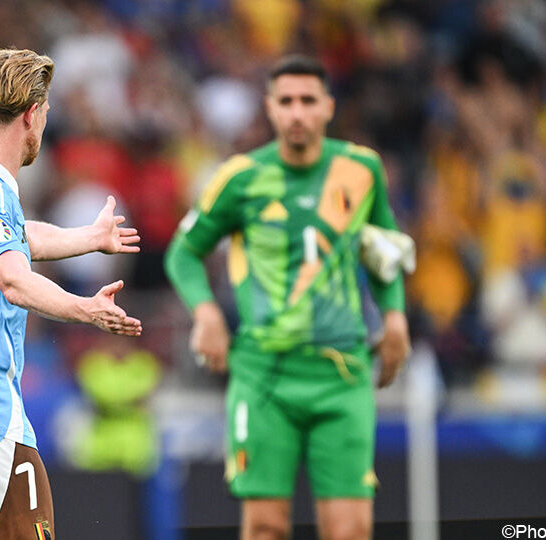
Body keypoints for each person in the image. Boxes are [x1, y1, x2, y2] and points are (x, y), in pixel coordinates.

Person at [164, 55, 412, 540]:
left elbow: (384, 253)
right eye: (286, 102)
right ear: (270, 109)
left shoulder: (362, 170)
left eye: (308, 101)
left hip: (342, 374)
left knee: (350, 530)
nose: (297, 112)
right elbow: (182, 253)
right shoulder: (240, 177)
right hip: (264, 376)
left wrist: (396, 318)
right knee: (265, 527)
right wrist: (207, 313)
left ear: (328, 108)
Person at [0, 48, 143, 539]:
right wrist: (87, 310)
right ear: (31, 113)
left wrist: (89, 238)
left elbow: (16, 237)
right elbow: (12, 278)